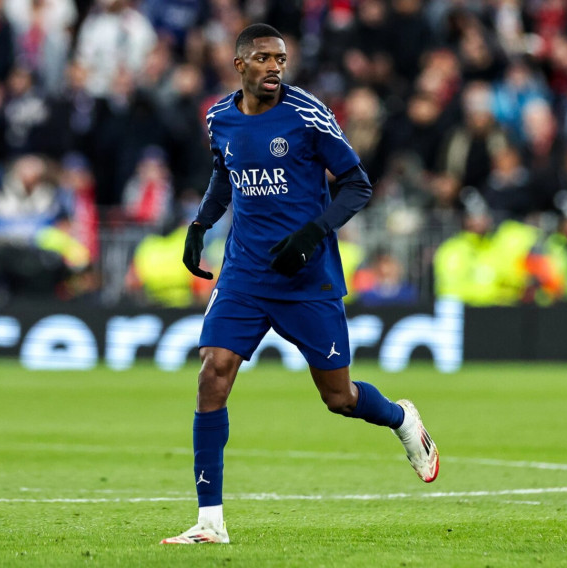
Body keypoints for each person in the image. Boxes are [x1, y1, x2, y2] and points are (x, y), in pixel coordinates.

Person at [161, 24, 439, 545]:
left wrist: (313, 234)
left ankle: (401, 418)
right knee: (212, 373)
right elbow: (225, 174)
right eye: (264, 58)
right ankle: (210, 521)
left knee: (339, 397)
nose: (275, 67)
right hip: (245, 273)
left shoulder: (308, 114)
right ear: (239, 64)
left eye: (281, 59)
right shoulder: (219, 117)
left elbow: (357, 184)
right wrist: (201, 224)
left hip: (306, 278)